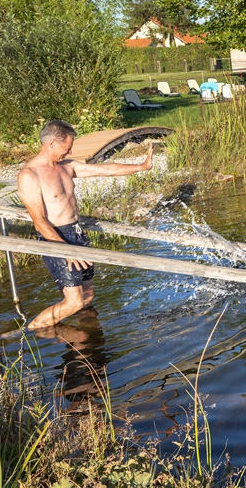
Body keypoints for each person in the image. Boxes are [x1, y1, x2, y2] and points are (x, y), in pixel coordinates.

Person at [18, 120, 155, 330]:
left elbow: (106, 170)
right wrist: (66, 250)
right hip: (56, 238)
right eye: (68, 146)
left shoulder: (67, 166)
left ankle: (85, 338)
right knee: (74, 302)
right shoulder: (30, 175)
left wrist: (141, 166)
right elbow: (39, 221)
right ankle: (30, 332)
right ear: (53, 143)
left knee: (88, 295)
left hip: (76, 232)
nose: (70, 150)